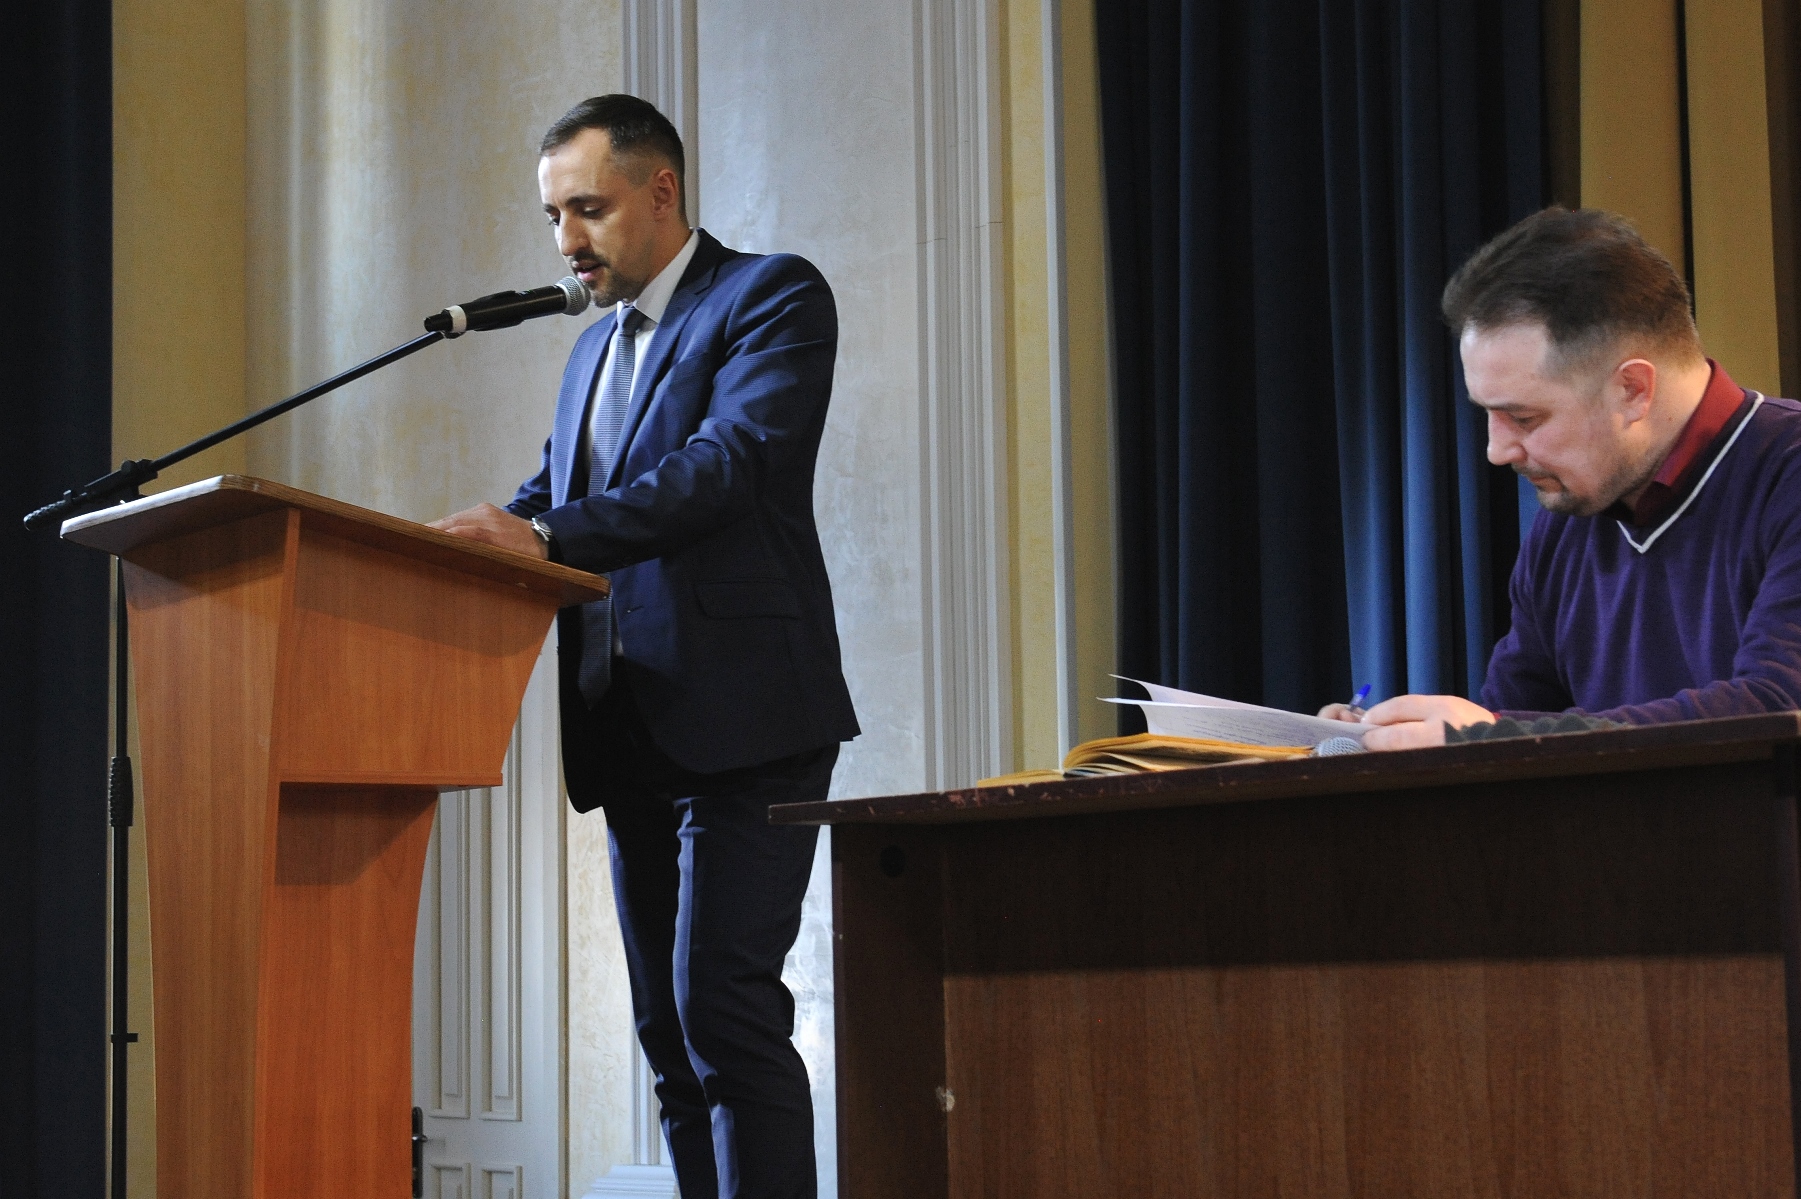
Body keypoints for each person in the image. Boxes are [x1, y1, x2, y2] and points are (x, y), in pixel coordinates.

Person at [433, 95, 859, 1199]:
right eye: (551, 217)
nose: (565, 240)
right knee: (667, 1032)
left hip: (748, 718)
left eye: (587, 208)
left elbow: (725, 466)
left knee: (725, 1010)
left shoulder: (768, 295)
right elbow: (552, 497)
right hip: (627, 723)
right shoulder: (590, 352)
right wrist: (444, 550)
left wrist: (538, 535)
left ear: (660, 191)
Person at [1328, 207, 1801, 751]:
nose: (1496, 451)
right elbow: (1517, 728)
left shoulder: (1785, 470)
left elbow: (1779, 708)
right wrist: (1385, 740)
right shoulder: (1569, 515)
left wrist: (1489, 736)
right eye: (1488, 414)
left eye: (1524, 418)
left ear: (1633, 390)